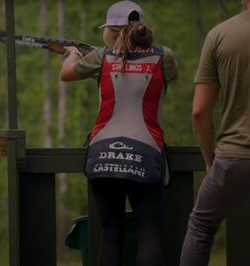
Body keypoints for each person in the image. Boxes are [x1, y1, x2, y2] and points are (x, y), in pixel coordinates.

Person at [58, 1, 178, 265]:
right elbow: (167, 77)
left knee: (111, 236)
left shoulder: (101, 57)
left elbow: (66, 74)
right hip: (147, 152)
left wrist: (72, 54)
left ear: (110, 31)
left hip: (102, 154)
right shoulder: (164, 55)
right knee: (151, 236)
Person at [179, 1, 250, 265]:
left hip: (233, 157)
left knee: (200, 228)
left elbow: (199, 110)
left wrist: (210, 161)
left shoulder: (220, 35)